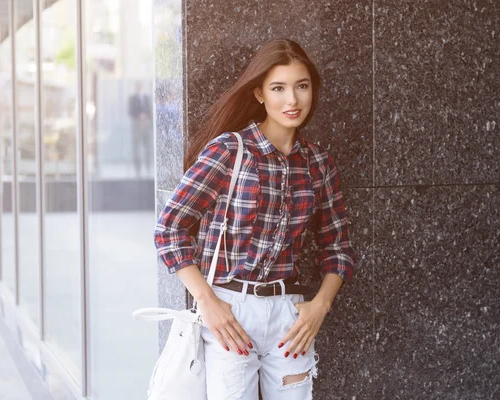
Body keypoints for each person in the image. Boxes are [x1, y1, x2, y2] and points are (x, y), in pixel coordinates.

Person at [154, 38, 355, 399]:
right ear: (260, 93)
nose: (292, 100)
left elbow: (337, 246)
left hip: (289, 317)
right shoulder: (230, 151)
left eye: (302, 86)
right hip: (230, 312)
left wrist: (319, 306)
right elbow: (170, 228)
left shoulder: (317, 163)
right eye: (279, 88)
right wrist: (208, 303)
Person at [128, 81, 153, 176]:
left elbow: (150, 110)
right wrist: (139, 116)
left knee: (147, 147)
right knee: (136, 147)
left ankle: (148, 167)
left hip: (146, 125)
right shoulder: (132, 98)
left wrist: (146, 118)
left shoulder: (146, 98)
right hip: (136, 125)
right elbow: (130, 111)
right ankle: (137, 169)